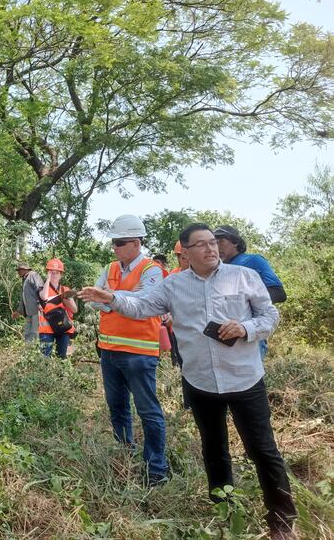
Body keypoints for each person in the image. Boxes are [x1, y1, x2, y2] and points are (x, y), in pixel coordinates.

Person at [78, 223, 297, 540]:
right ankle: (224, 511)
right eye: (202, 244)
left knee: (263, 450)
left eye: (212, 242)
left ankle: (282, 522)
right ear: (186, 251)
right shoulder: (174, 285)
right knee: (214, 449)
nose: (211, 248)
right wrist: (111, 298)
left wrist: (246, 329)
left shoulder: (244, 276)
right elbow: (142, 307)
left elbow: (270, 316)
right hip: (200, 381)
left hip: (245, 380)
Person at [89, 214, 169, 486]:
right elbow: (92, 300)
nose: (115, 247)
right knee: (117, 407)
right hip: (109, 350)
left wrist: (110, 297)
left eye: (120, 242)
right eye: (113, 242)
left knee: (148, 411)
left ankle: (156, 469)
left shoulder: (152, 270)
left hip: (139, 353)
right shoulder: (111, 268)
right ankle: (125, 454)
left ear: (136, 243)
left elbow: (147, 302)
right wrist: (116, 298)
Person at [214, 225, 286, 359]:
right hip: (223, 336)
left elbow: (279, 293)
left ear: (235, 242)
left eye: (221, 241)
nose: (217, 247)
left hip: (250, 333)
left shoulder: (253, 260)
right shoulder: (218, 267)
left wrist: (245, 301)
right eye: (214, 243)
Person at [38, 258, 77, 358]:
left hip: (63, 328)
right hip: (46, 329)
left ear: (61, 275)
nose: (54, 275)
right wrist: (48, 279)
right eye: (52, 272)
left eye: (57, 273)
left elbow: (74, 310)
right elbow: (44, 297)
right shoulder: (42, 288)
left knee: (62, 358)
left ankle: (60, 374)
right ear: (48, 273)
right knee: (45, 358)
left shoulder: (65, 289)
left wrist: (65, 298)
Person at [11, 261, 44, 345]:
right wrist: (19, 311)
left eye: (19, 270)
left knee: (34, 333)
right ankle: (28, 352)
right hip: (28, 312)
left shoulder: (33, 275)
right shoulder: (24, 279)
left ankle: (36, 353)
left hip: (36, 310)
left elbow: (40, 288)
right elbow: (24, 298)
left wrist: (40, 303)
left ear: (24, 269)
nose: (18, 272)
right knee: (27, 333)